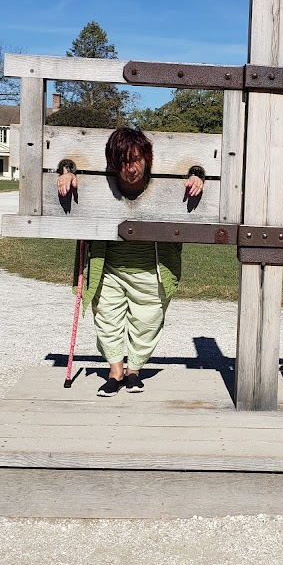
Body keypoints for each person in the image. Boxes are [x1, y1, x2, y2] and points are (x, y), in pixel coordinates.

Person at [57, 127, 205, 397]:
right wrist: (66, 170)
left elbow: (193, 168)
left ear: (148, 159)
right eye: (124, 162)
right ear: (113, 163)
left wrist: (197, 175)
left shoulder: (160, 179)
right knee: (106, 319)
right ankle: (115, 372)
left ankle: (134, 371)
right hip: (108, 266)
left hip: (153, 267)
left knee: (147, 321)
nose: (132, 168)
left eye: (137, 159)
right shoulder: (104, 180)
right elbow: (69, 162)